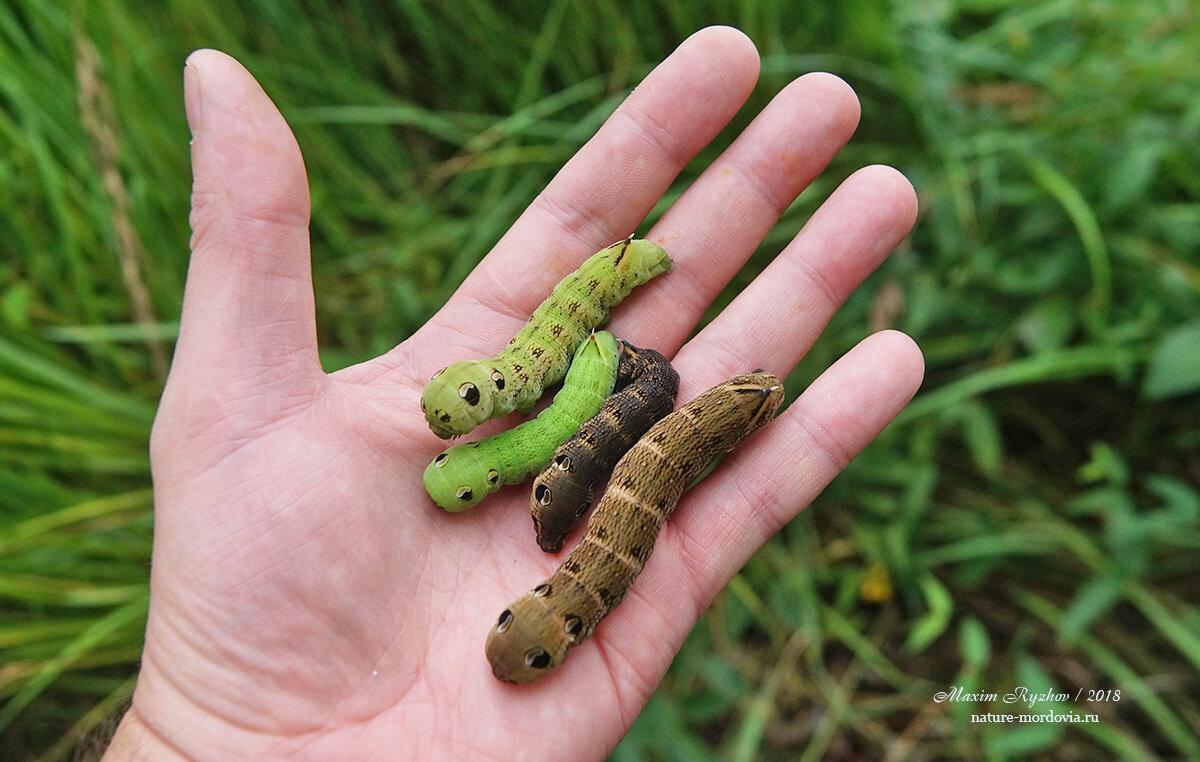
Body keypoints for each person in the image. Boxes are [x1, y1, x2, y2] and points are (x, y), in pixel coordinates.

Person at [103, 26, 923, 761]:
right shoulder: (538, 457)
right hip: (608, 390)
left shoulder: (559, 440)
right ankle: (718, 392)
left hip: (611, 375)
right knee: (656, 448)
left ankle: (716, 385)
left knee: (658, 438)